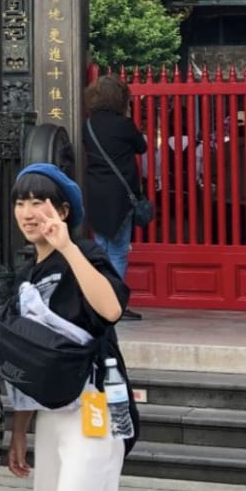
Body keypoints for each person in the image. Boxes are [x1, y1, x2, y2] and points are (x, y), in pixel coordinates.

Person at [3, 167, 132, 491]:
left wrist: (72, 249)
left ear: (65, 210)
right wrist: (18, 432)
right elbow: (27, 361)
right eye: (23, 202)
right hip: (51, 417)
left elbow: (111, 308)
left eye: (43, 202)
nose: (31, 212)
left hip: (92, 412)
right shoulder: (25, 275)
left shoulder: (90, 258)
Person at [81, 73, 149, 320]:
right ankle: (114, 304)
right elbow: (142, 146)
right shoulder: (123, 125)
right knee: (119, 250)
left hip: (96, 192)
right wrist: (128, 117)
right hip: (121, 194)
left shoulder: (88, 125)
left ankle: (97, 302)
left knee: (101, 247)